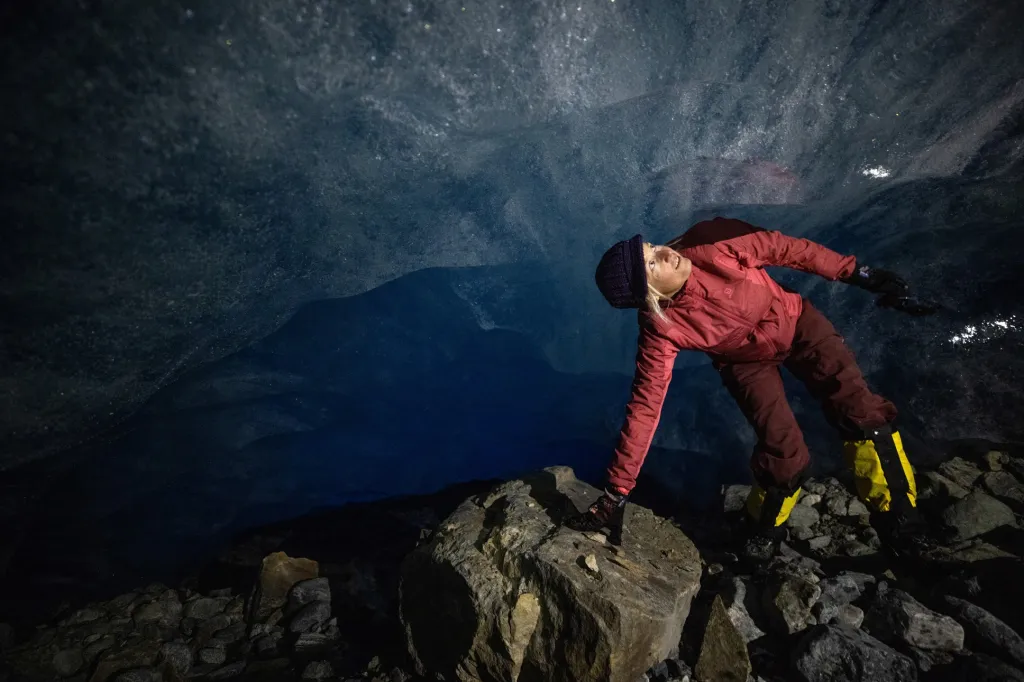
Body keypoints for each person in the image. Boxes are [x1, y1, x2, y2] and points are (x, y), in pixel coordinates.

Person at [566, 216, 937, 558]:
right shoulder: (661, 329)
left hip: (795, 321)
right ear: (651, 296)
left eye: (650, 248)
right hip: (745, 362)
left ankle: (901, 524)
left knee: (861, 412)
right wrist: (617, 491)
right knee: (783, 449)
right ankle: (764, 530)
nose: (664, 253)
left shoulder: (712, 242)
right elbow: (646, 407)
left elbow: (789, 249)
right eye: (650, 264)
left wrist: (862, 274)